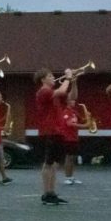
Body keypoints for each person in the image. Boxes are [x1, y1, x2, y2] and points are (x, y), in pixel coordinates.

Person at [34, 67, 74, 205]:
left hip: (57, 131)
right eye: (50, 76)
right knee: (48, 163)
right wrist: (68, 77)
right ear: (43, 79)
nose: (53, 78)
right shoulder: (44, 91)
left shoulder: (53, 95)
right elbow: (62, 90)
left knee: (55, 164)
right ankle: (46, 193)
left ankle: (52, 192)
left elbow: (71, 96)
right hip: (48, 131)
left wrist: (74, 82)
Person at [61, 97, 87, 185]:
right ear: (67, 101)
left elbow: (82, 120)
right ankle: (67, 177)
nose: (74, 102)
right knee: (69, 157)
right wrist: (84, 126)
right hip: (67, 138)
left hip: (74, 138)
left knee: (73, 158)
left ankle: (71, 177)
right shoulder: (66, 112)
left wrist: (88, 117)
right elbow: (70, 124)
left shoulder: (74, 112)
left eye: (74, 100)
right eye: (72, 100)